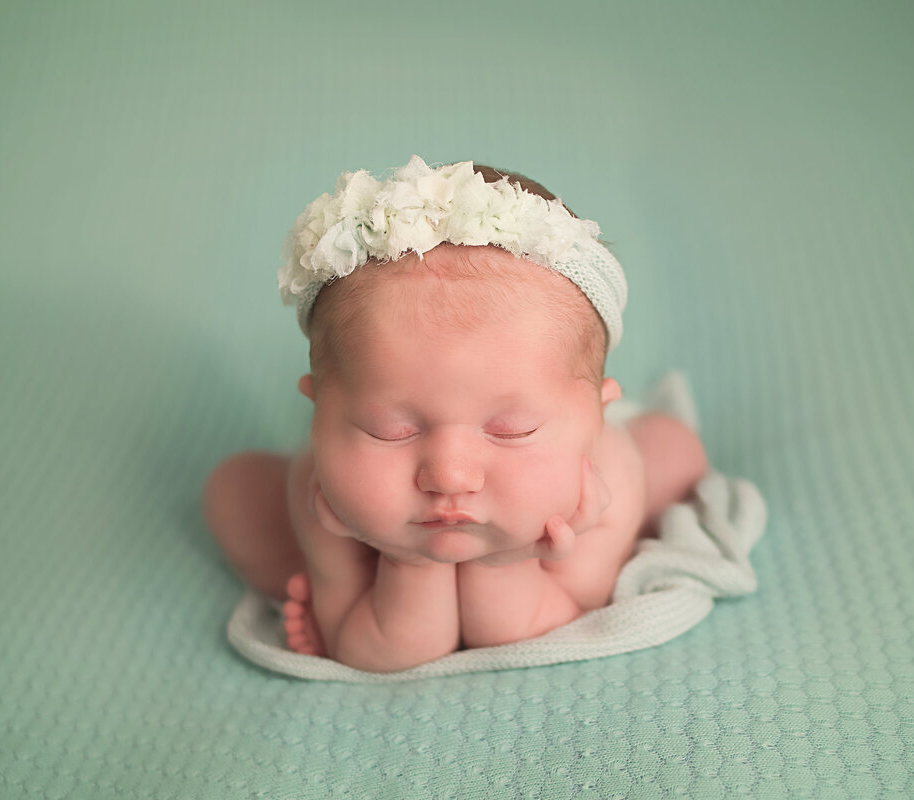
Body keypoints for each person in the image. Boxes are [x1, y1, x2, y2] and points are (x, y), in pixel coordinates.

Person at [204, 156, 708, 673]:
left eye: (512, 430)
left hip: (592, 506)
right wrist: (405, 560)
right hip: (358, 532)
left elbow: (541, 634)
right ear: (320, 414)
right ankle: (306, 580)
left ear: (597, 420)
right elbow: (375, 653)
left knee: (672, 450)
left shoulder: (603, 488)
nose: (450, 475)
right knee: (235, 491)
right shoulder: (324, 489)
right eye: (391, 430)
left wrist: (504, 563)